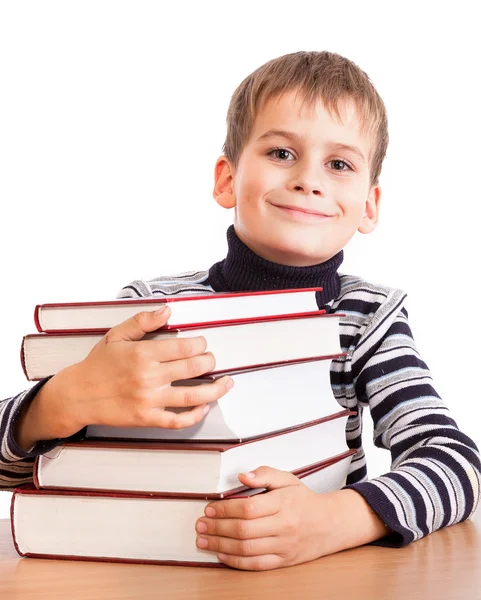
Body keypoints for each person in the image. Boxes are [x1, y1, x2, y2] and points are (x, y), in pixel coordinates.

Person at [1, 50, 479, 571]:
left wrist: (332, 521)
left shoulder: (368, 317)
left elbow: (455, 464)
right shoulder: (149, 310)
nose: (307, 180)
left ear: (369, 206)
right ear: (226, 180)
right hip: (147, 573)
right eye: (280, 153)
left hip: (315, 577)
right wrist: (60, 401)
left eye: (339, 164)